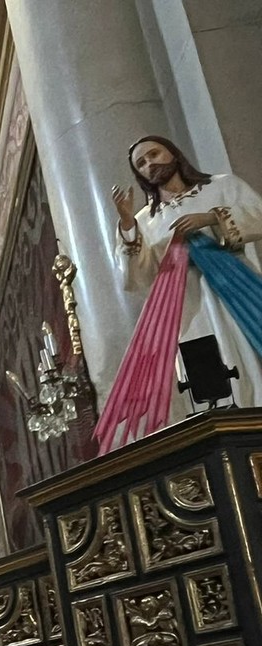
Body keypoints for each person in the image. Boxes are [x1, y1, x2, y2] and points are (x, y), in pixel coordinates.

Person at [100, 136, 262, 449]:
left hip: (238, 292)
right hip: (189, 309)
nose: (150, 165)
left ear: (173, 153)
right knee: (212, 377)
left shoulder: (220, 186)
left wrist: (212, 217)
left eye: (154, 154)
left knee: (248, 358)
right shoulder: (145, 220)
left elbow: (258, 213)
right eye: (142, 164)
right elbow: (134, 278)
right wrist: (126, 224)